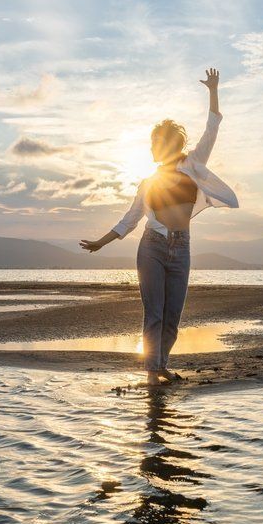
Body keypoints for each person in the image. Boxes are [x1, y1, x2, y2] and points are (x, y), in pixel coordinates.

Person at [80, 68, 239, 386]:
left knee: (172, 317)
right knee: (154, 312)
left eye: (155, 143)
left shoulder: (193, 164)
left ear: (169, 144)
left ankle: (161, 364)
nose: (151, 148)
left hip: (181, 248)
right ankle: (153, 371)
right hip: (151, 246)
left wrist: (213, 90)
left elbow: (213, 125)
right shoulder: (148, 182)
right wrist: (101, 241)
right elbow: (130, 219)